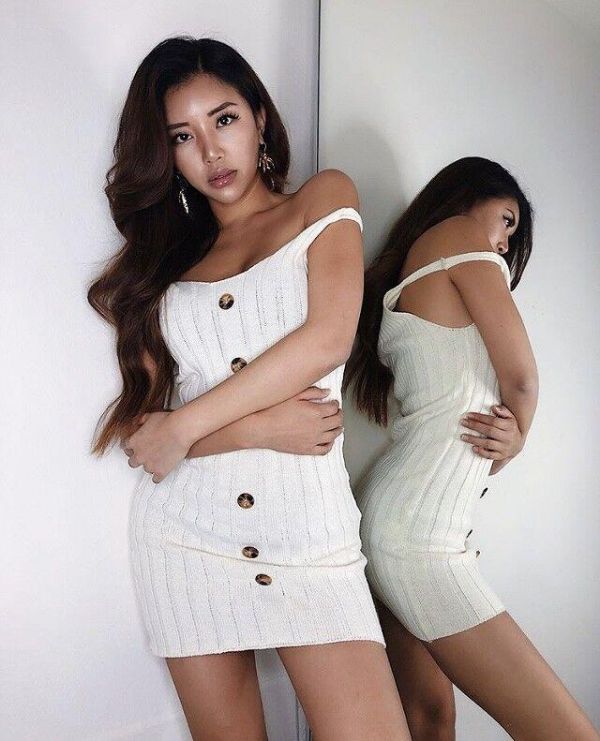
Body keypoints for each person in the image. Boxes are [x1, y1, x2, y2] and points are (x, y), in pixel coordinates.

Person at [87, 36, 409, 740]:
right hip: (186, 539)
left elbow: (327, 338)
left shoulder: (323, 198)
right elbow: (148, 440)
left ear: (260, 117)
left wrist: (188, 426)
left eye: (224, 119)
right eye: (182, 136)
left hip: (310, 535)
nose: (210, 151)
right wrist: (256, 428)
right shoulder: (165, 268)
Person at [343, 156, 600, 740]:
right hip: (419, 537)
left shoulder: (421, 265)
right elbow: (522, 379)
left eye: (512, 234)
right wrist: (519, 434)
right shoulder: (457, 234)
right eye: (506, 220)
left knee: (429, 718)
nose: (505, 243)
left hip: (400, 523)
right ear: (467, 196)